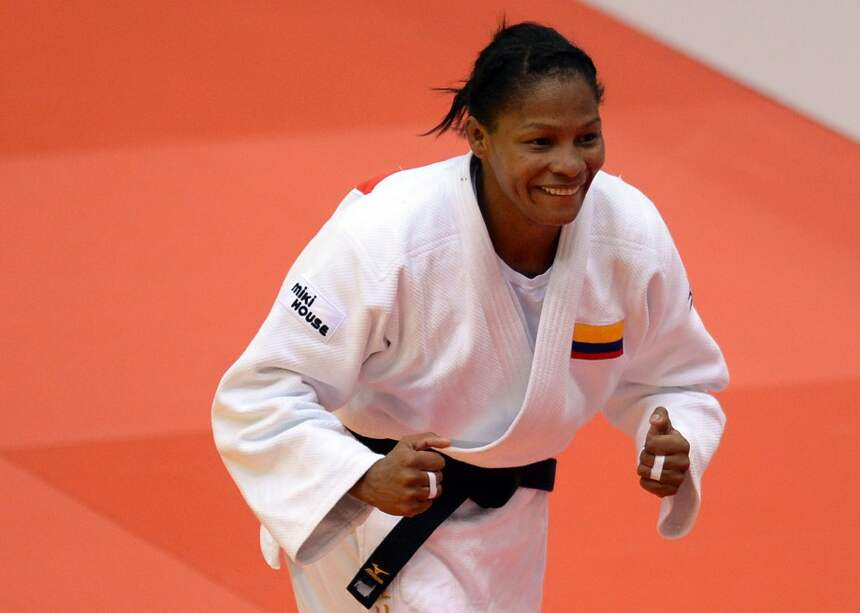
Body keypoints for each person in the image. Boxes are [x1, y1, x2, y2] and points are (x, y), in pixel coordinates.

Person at [212, 21, 728, 612]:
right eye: (540, 142)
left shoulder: (628, 233)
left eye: (587, 138)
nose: (570, 165)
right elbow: (262, 393)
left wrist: (674, 435)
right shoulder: (388, 235)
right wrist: (361, 477)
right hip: (383, 514)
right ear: (479, 136)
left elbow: (677, 375)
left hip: (511, 525)